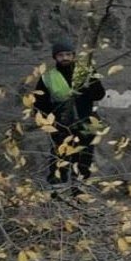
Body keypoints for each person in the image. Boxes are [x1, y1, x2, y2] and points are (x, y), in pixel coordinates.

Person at [33, 39, 106, 187]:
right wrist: (51, 123)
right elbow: (39, 104)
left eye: (68, 54)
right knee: (60, 158)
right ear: (55, 57)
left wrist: (88, 85)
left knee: (84, 158)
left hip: (86, 122)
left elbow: (99, 95)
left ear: (73, 55)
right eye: (60, 55)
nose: (65, 58)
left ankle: (79, 193)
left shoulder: (86, 71)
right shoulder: (48, 77)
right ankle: (58, 193)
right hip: (61, 124)